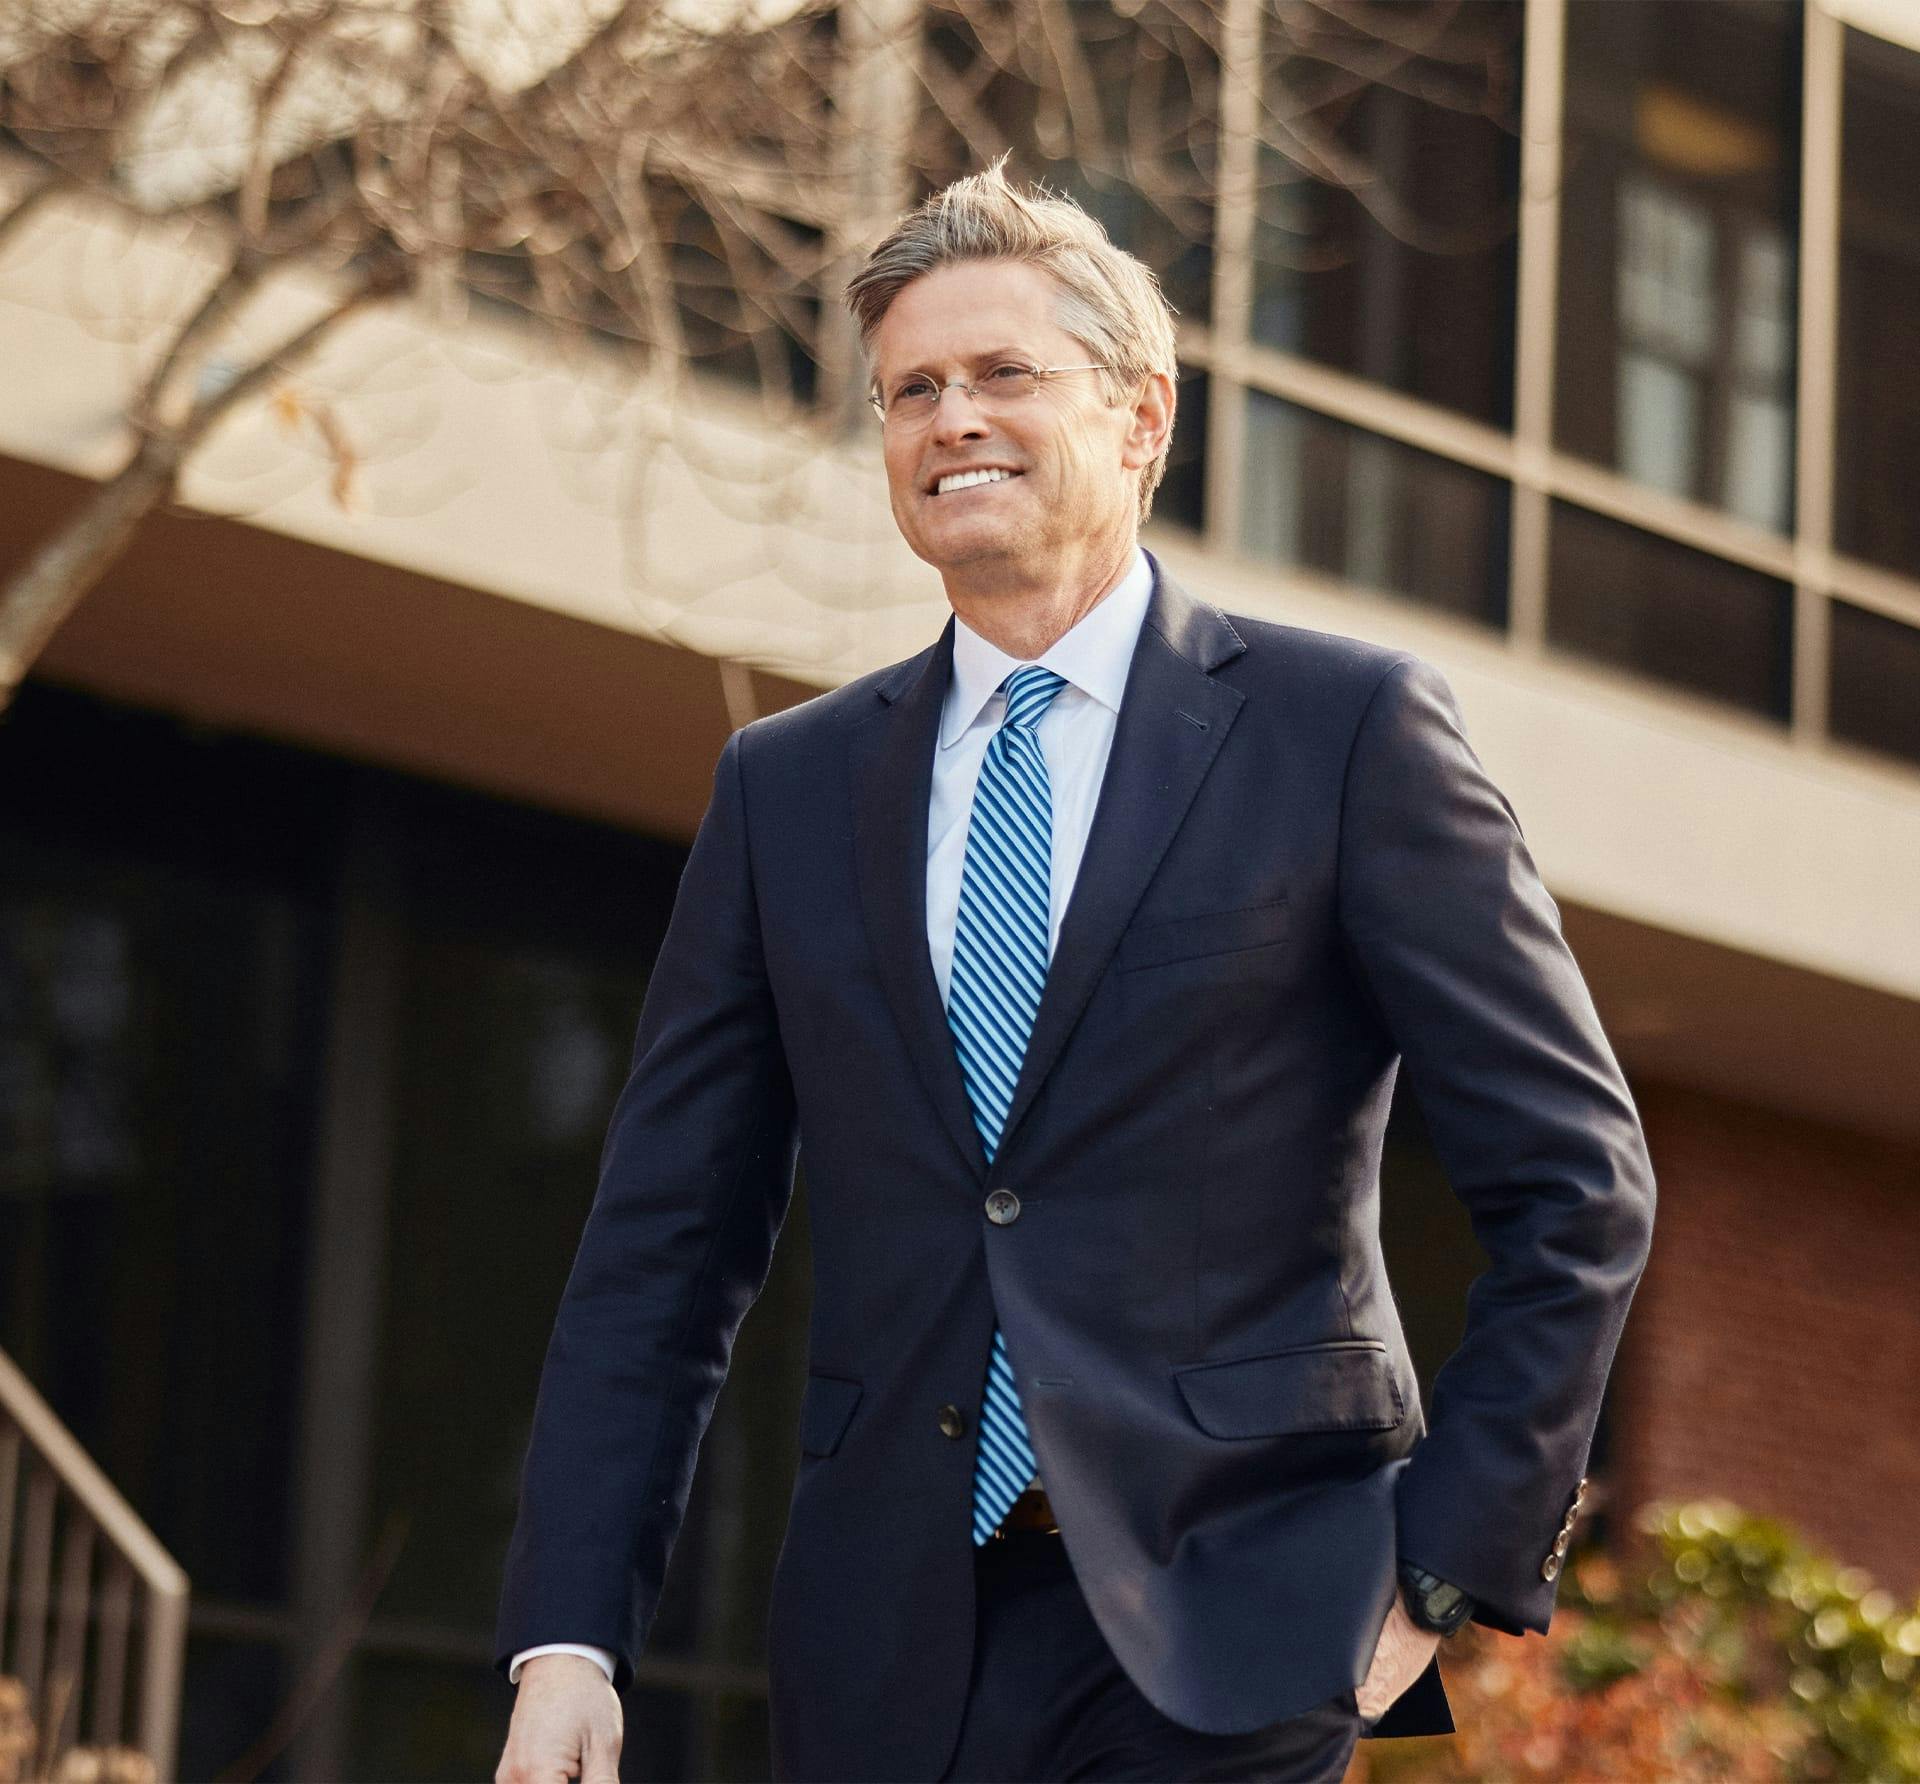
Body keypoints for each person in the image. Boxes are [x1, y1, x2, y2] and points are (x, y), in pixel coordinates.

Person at [492, 161, 1657, 1784]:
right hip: (889, 1637)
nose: (949, 417)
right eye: (912, 391)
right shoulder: (788, 791)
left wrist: (1447, 1560)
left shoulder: (1345, 735)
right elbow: (662, 1253)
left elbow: (1579, 1182)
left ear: (1141, 420)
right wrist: (571, 1637)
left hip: (1243, 1614)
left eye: (1001, 375)